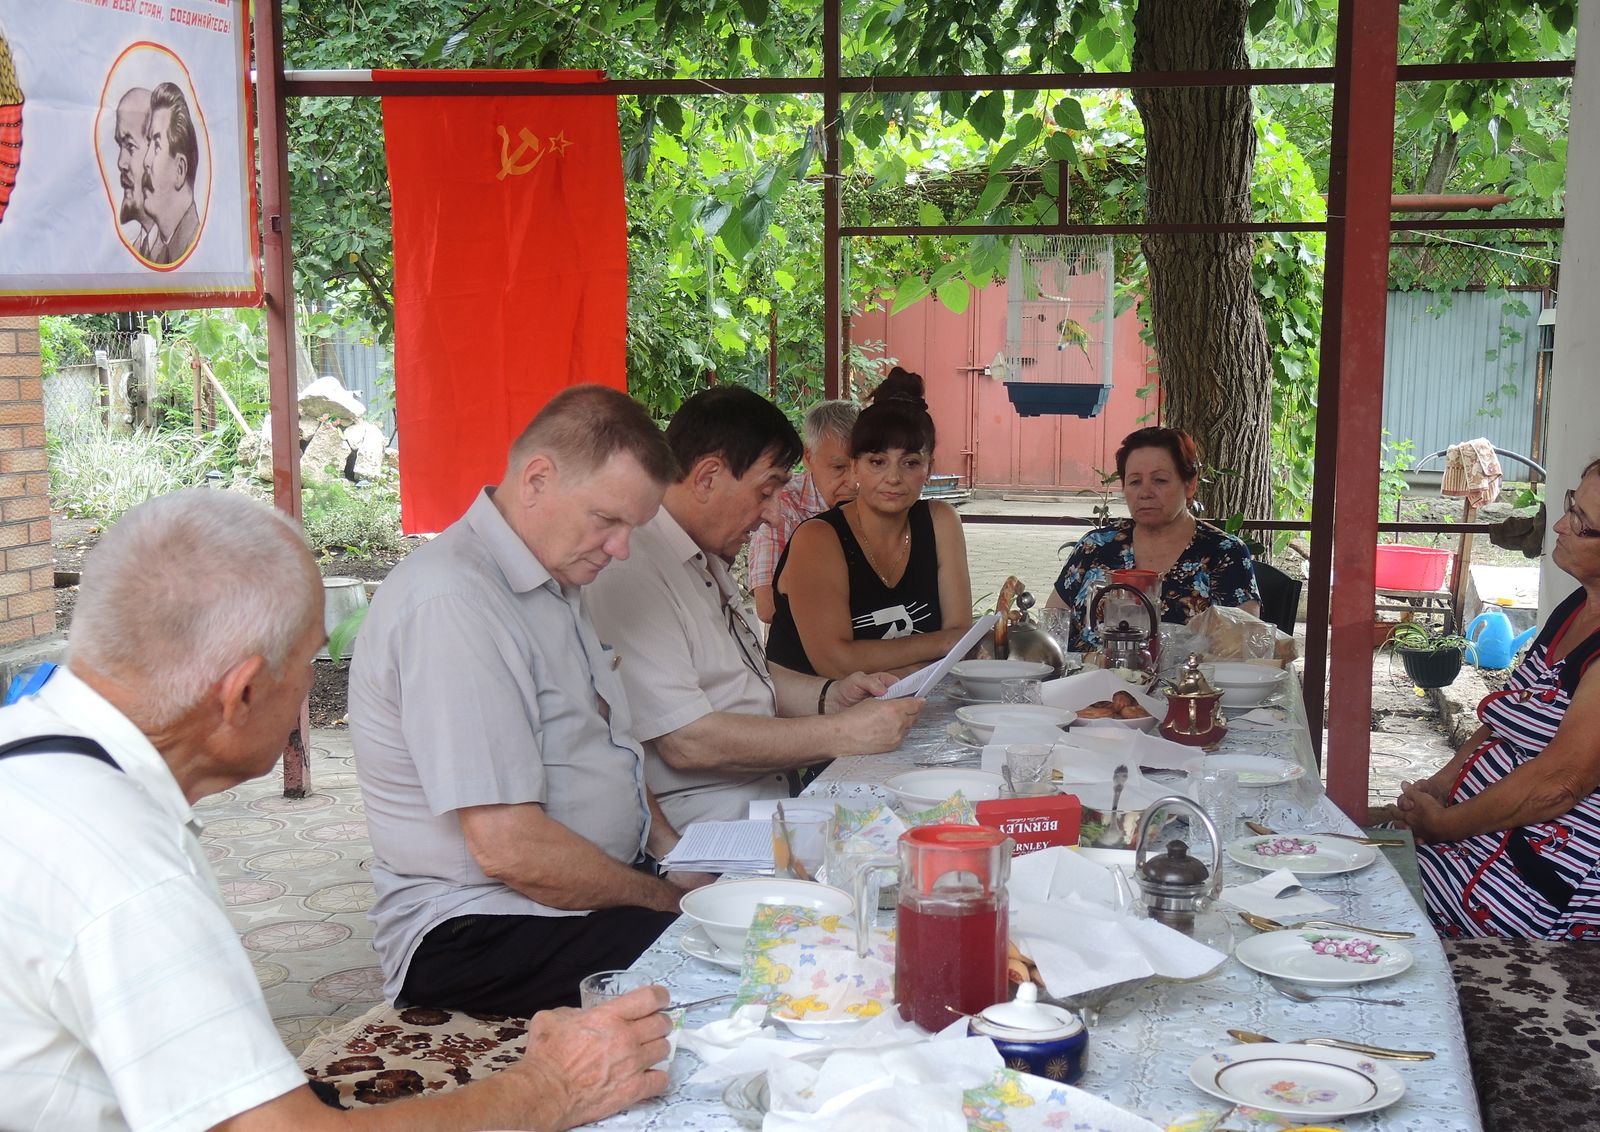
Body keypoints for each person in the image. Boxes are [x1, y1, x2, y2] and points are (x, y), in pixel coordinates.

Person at [0, 489, 671, 1132]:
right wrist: (551, 1088)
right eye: (309, 661)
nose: (311, 683)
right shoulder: (124, 872)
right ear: (243, 692)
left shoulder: (35, 754)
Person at [349, 385, 698, 1018]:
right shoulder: (455, 601)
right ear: (537, 479)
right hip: (473, 925)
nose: (621, 549)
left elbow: (605, 747)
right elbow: (509, 849)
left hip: (565, 900)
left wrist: (674, 855)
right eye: (608, 520)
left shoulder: (551, 578)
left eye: (633, 528)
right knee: (710, 960)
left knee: (753, 915)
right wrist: (663, 899)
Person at [587, 386, 921, 826]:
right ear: (707, 477)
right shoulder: (632, 568)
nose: (774, 515)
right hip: (708, 828)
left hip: (767, 804)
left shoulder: (699, 555)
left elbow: (746, 678)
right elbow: (687, 741)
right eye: (766, 492)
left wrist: (831, 696)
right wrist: (844, 733)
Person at [1398, 458, 1600, 939]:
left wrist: (1446, 825)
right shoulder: (1577, 608)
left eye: (1581, 522)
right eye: (1571, 505)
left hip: (1526, 887)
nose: (1559, 525)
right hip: (1471, 847)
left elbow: (1561, 782)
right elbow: (1508, 713)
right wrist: (1442, 785)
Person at [765, 368, 973, 678]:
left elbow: (961, 637)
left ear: (929, 469)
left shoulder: (941, 522)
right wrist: (941, 645)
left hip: (915, 700)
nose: (893, 477)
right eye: (877, 462)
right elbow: (836, 661)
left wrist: (944, 649)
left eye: (910, 463)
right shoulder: (817, 538)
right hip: (816, 704)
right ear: (854, 468)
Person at [1046, 425, 1260, 651]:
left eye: (1160, 480)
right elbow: (1051, 627)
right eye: (1135, 482)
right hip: (1084, 673)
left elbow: (1245, 648)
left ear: (1190, 484)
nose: (1145, 493)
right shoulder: (1096, 545)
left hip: (1189, 675)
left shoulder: (1224, 553)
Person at [749, 399, 859, 623]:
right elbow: (768, 605)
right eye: (839, 467)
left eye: (864, 465)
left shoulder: (880, 500)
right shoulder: (782, 506)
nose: (854, 482)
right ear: (808, 457)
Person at [143, 81, 201, 264]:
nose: (146, 161)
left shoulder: (197, 250)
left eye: (156, 146)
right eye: (149, 145)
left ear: (180, 170)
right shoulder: (158, 254)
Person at [112, 86, 160, 259]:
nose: (120, 163)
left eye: (130, 146)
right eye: (120, 146)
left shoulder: (177, 248)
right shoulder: (138, 250)